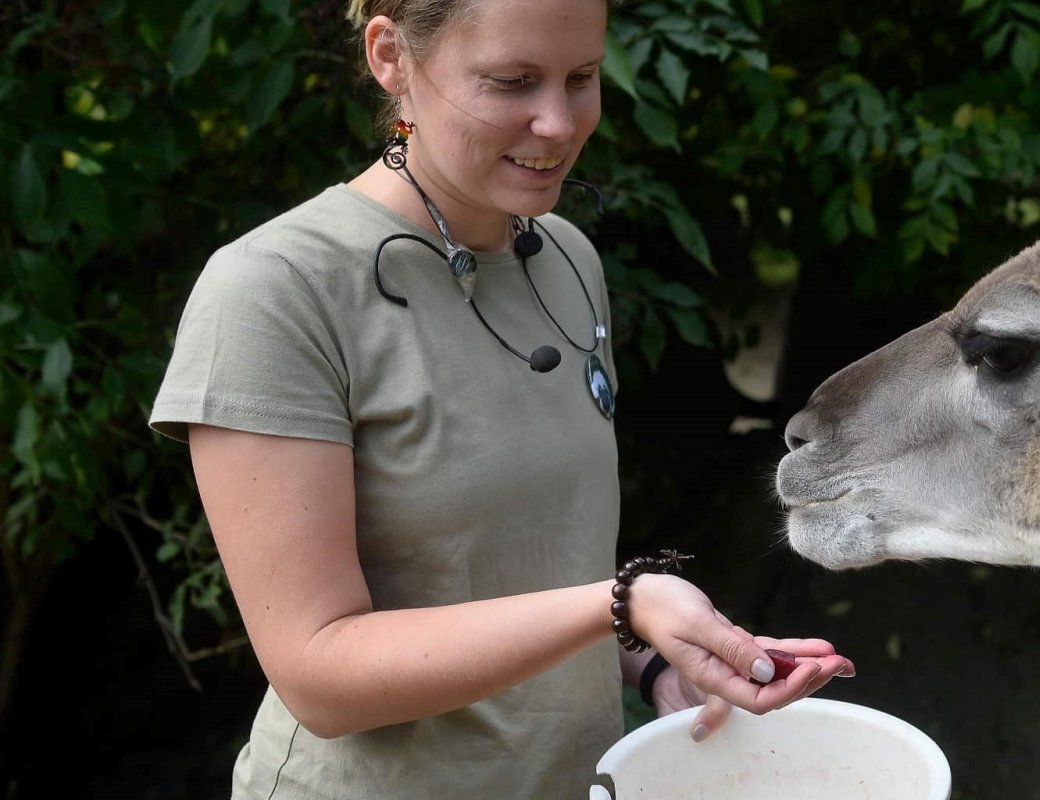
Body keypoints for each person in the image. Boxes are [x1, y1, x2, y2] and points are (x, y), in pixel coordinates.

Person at [148, 0, 854, 797]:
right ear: (390, 57)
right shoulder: (276, 291)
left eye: (580, 78)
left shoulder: (565, 257)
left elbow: (532, 562)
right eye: (513, 82)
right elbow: (320, 678)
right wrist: (622, 602)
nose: (557, 123)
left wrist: (659, 660)